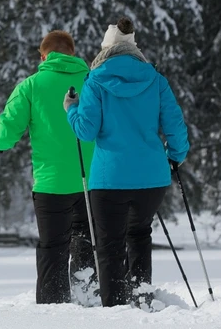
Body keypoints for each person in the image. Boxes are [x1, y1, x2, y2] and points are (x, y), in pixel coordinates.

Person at [64, 16, 189, 308]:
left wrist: (71, 109)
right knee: (140, 235)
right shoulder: (156, 80)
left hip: (110, 179)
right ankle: (142, 298)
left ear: (106, 49)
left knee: (109, 246)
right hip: (152, 179)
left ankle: (115, 310)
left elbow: (86, 131)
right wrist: (175, 157)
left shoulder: (95, 80)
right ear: (133, 48)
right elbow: (175, 126)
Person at [0, 30, 98, 305]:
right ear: (72, 53)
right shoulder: (93, 81)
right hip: (94, 181)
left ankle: (53, 308)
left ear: (43, 56)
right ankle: (89, 302)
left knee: (53, 249)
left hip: (52, 184)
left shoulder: (31, 86)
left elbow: (7, 131)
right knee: (88, 244)